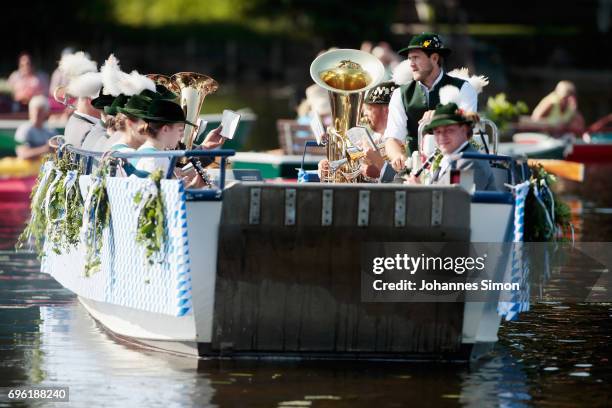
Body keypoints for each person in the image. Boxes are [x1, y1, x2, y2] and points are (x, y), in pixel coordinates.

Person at [383, 32, 477, 173]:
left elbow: (469, 127)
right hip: (412, 170)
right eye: (410, 59)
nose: (411, 65)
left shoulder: (464, 88)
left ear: (434, 58)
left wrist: (441, 116)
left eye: (416, 58)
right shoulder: (400, 94)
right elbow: (392, 138)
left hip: (454, 167)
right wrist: (397, 156)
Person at [317, 81, 398, 182]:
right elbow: (350, 162)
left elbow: (400, 180)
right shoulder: (375, 138)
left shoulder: (402, 142)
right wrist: (330, 167)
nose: (364, 114)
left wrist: (378, 169)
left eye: (369, 109)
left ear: (387, 111)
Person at [405, 102, 496, 191]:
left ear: (464, 130)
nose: (442, 137)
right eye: (437, 132)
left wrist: (418, 190)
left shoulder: (469, 162)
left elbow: (457, 202)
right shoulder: (451, 159)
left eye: (449, 130)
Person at [14, 95, 56, 160]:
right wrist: (46, 149)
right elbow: (22, 154)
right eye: (34, 111)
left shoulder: (51, 131)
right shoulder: (24, 129)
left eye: (40, 112)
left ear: (46, 113)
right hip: (27, 169)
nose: (36, 114)